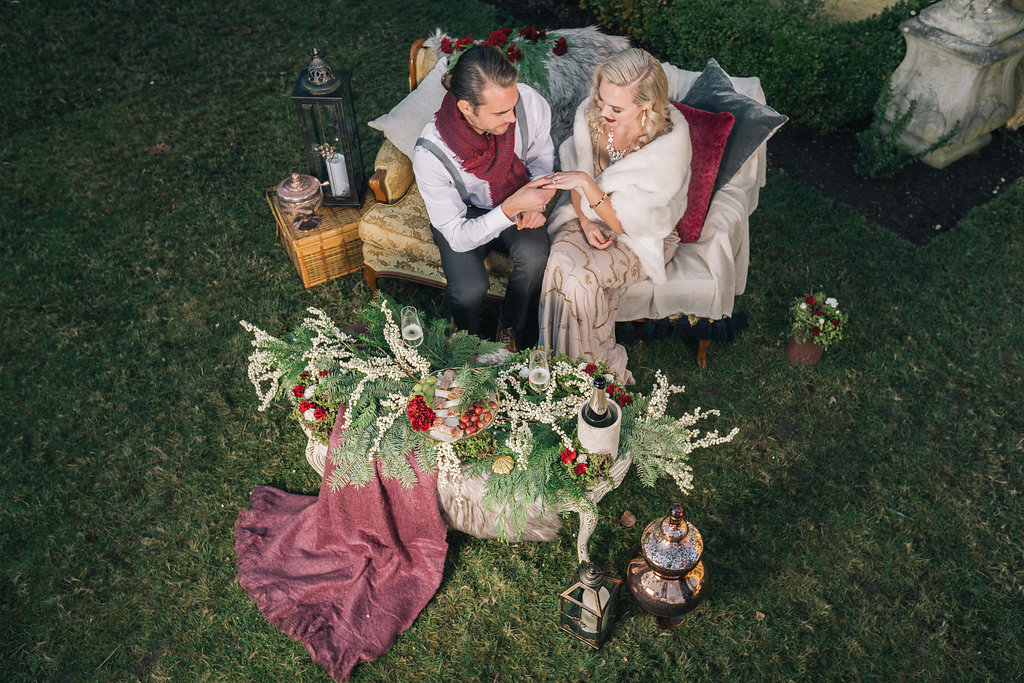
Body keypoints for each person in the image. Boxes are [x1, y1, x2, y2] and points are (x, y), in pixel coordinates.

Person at [538, 48, 691, 385]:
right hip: (584, 215)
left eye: (616, 108)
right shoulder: (592, 115)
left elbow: (626, 223)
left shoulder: (666, 146)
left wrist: (586, 183)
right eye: (601, 99)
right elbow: (575, 172)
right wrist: (584, 220)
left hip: (640, 235)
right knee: (560, 264)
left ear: (647, 105)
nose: (603, 111)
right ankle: (556, 370)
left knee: (582, 280)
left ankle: (591, 378)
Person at [413, 45, 557, 351]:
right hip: (464, 217)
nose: (513, 118)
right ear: (467, 108)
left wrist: (537, 199)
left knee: (534, 256)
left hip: (517, 198)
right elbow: (456, 235)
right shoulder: (430, 152)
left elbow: (542, 156)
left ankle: (511, 324)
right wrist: (510, 208)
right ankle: (465, 337)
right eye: (500, 113)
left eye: (513, 105)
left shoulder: (530, 104)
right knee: (468, 289)